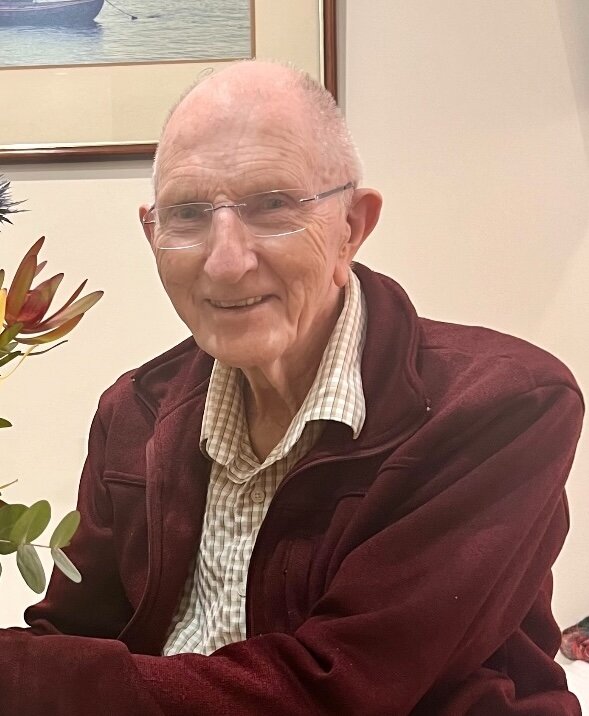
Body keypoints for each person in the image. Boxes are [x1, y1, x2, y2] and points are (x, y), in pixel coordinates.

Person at [0, 60, 584, 715]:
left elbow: (338, 690)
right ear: (152, 235)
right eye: (187, 213)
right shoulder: (134, 413)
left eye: (272, 206)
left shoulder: (500, 408)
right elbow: (71, 638)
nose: (226, 261)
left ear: (351, 228)